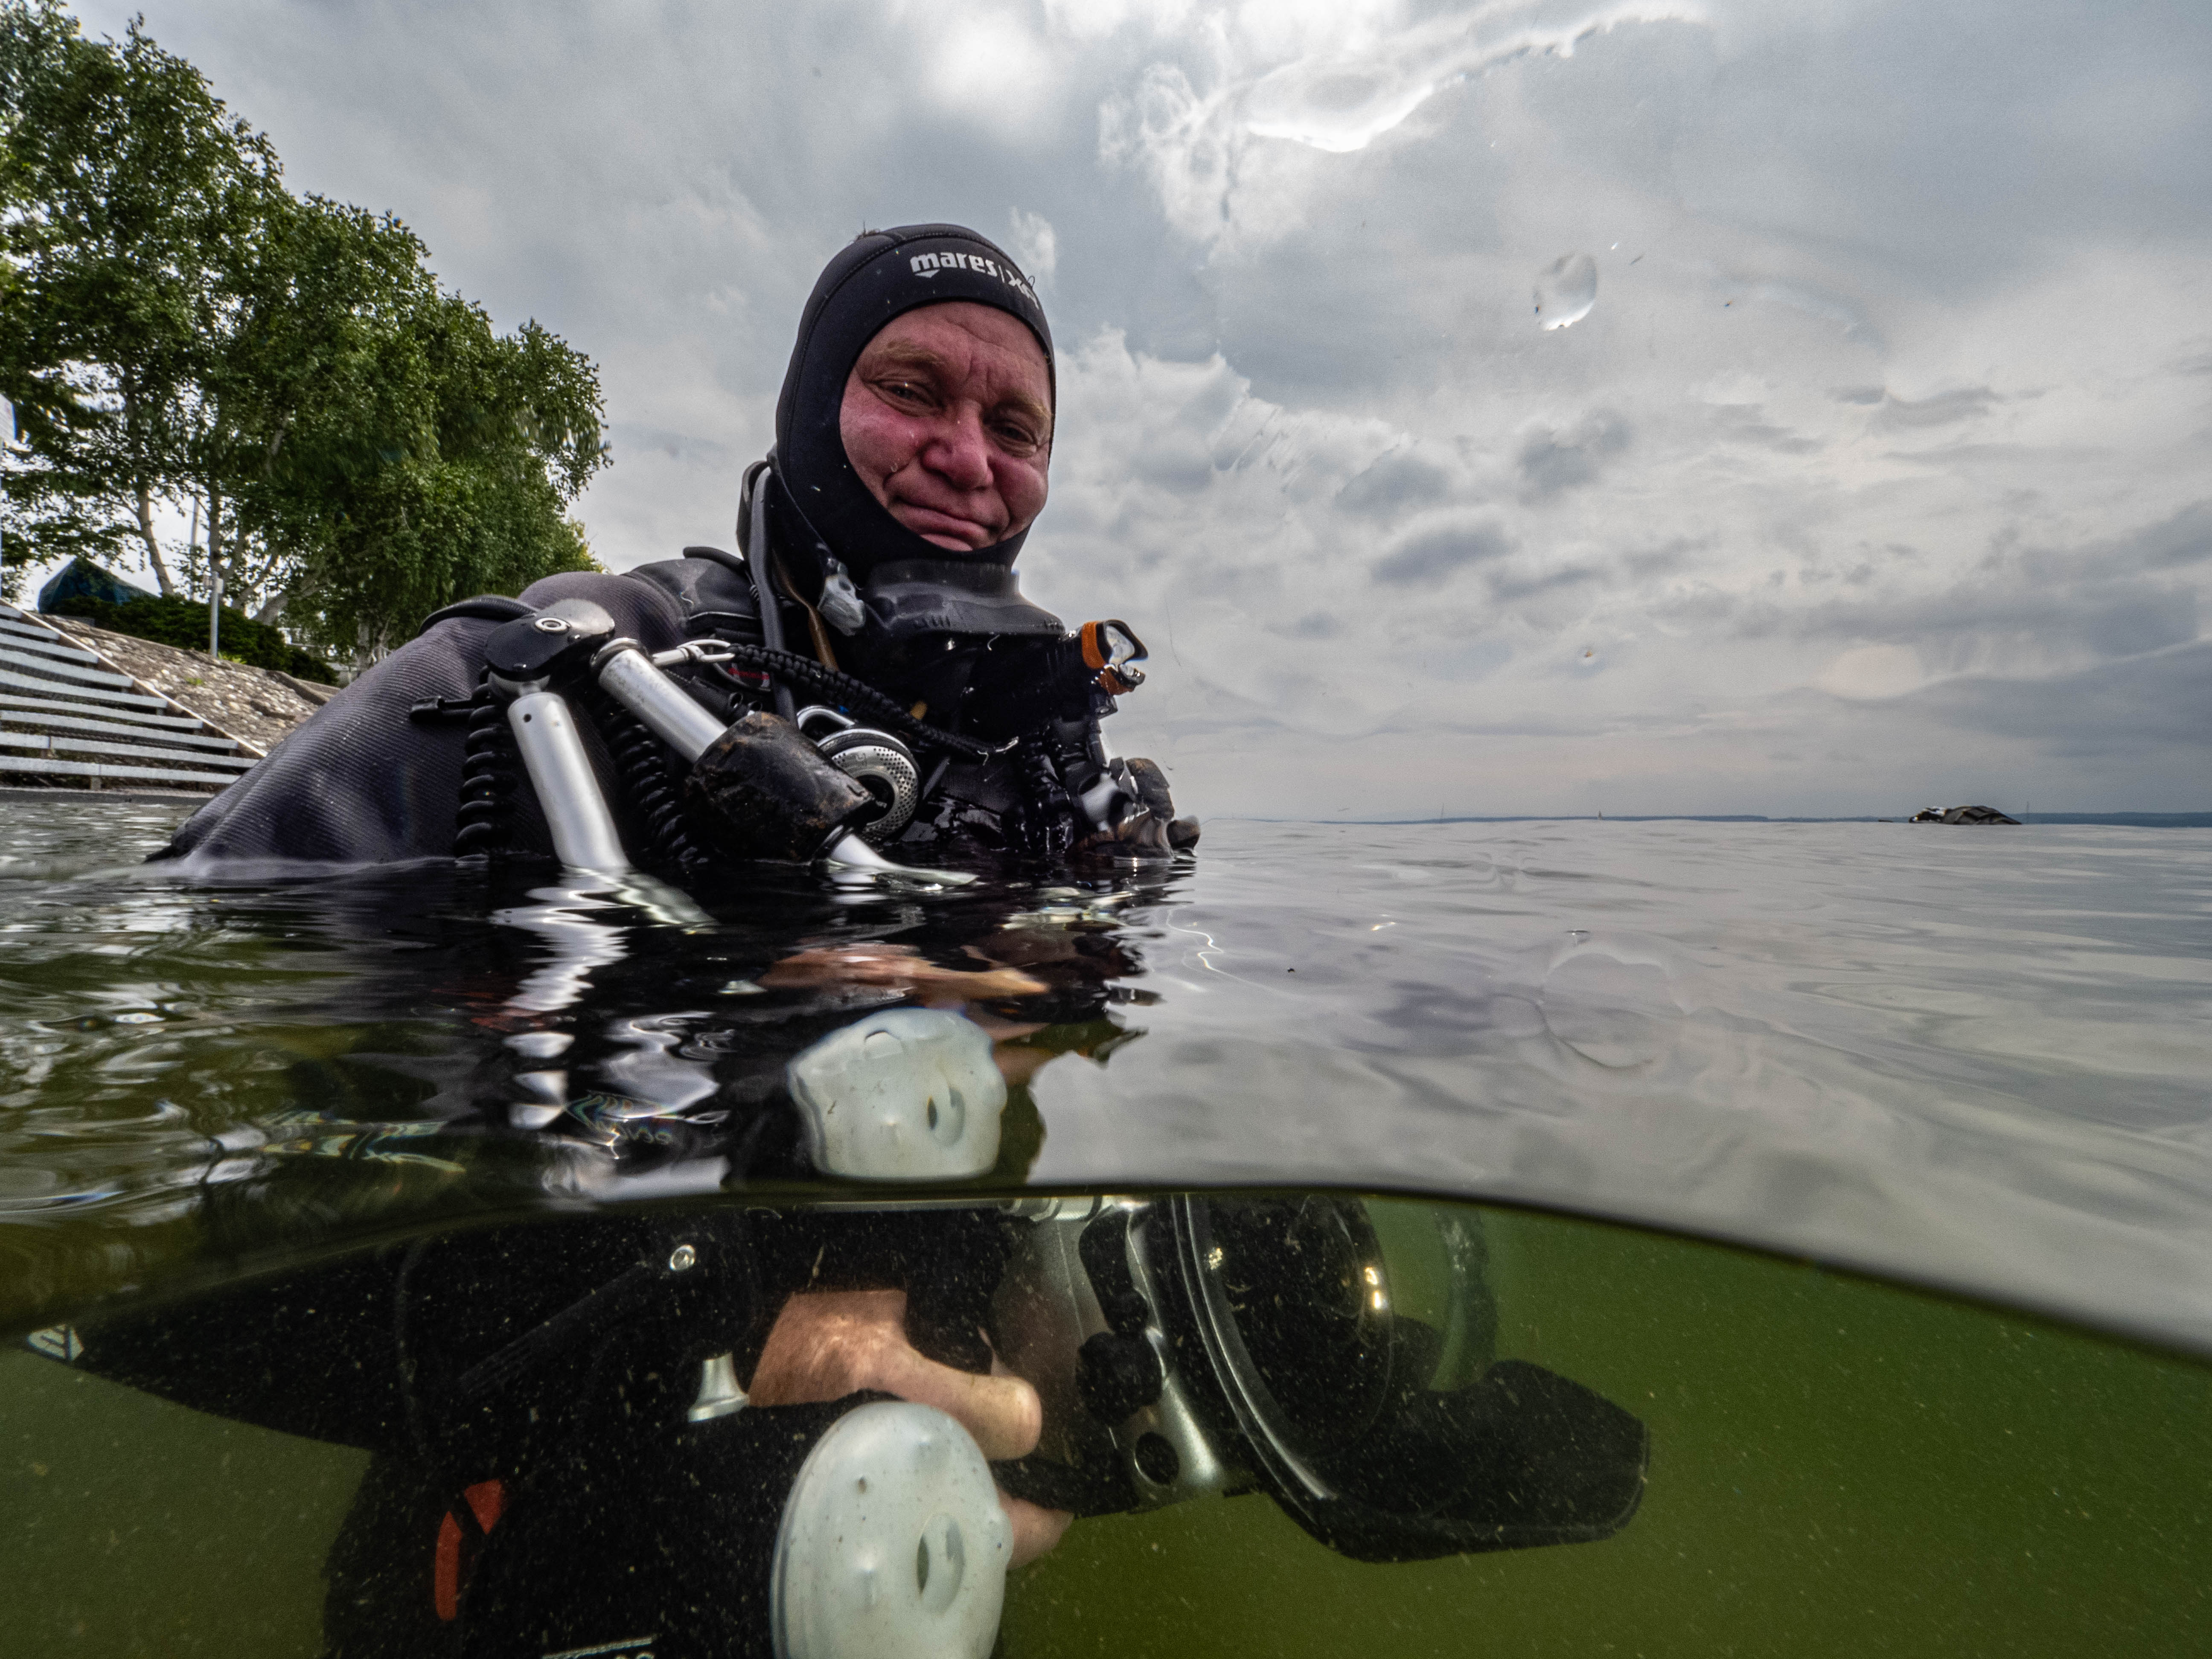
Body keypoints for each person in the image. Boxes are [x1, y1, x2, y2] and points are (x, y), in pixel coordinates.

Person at [154, 223, 1198, 873]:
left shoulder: (1039, 751)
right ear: (806, 417)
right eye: (911, 391)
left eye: (1015, 431)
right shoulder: (584, 672)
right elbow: (199, 932)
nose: (969, 459)